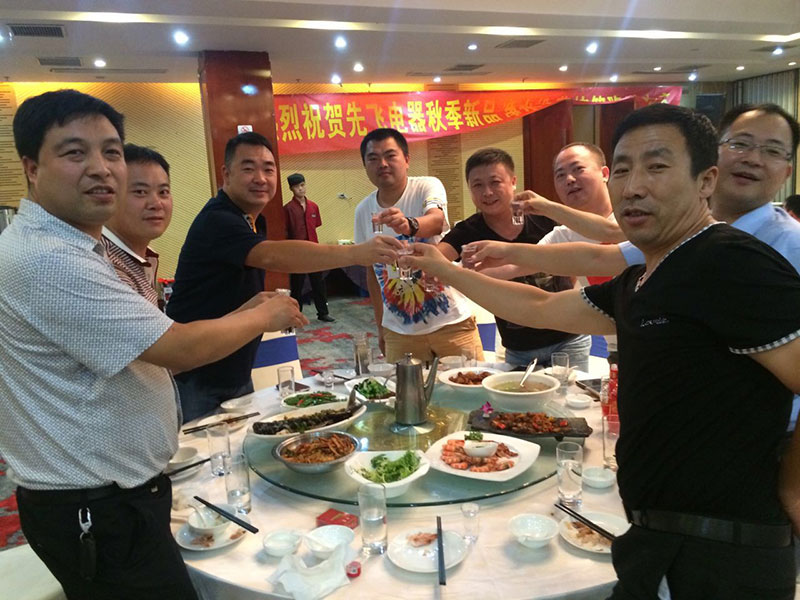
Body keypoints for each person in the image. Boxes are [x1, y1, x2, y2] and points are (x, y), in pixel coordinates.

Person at [403, 104, 800, 599]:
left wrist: (793, 485)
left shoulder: (730, 261)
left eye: (657, 166)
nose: (634, 187)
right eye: (625, 169)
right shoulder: (646, 276)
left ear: (706, 180)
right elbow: (541, 306)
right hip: (658, 535)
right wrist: (445, 269)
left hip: (722, 551)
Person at [0, 89, 306, 600]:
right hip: (94, 506)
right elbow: (175, 348)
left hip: (114, 492)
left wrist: (247, 312)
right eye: (75, 153)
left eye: (111, 152)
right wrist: (264, 315)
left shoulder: (75, 245)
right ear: (33, 168)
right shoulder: (50, 258)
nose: (101, 169)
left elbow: (145, 349)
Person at [168, 131, 401, 421]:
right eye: (249, 168)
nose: (260, 178)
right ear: (226, 174)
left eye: (268, 169)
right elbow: (271, 256)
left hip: (229, 364)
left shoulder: (252, 220)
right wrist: (356, 253)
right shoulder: (219, 219)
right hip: (196, 374)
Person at [437, 147, 589, 370]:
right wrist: (463, 271)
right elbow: (437, 260)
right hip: (519, 348)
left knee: (574, 391)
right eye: (478, 185)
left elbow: (572, 260)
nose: (487, 192)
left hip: (568, 337)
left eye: (495, 182)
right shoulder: (468, 231)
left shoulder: (543, 218)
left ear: (513, 182)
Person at [353, 127, 482, 363]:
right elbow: (372, 272)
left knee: (469, 384)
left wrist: (408, 224)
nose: (382, 164)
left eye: (390, 155)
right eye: (373, 158)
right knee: (403, 388)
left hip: (451, 323)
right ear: (365, 165)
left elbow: (436, 221)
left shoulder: (426, 186)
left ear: (407, 160)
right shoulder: (363, 211)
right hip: (399, 332)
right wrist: (381, 327)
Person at [102, 143, 172, 308]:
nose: (156, 204)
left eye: (163, 192)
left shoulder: (143, 256)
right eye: (140, 192)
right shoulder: (105, 265)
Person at [283, 172, 335, 322]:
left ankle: (323, 313)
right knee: (297, 285)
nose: (301, 189)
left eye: (302, 185)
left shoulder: (313, 206)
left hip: (314, 250)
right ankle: (296, 314)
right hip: (297, 252)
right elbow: (286, 230)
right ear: (291, 189)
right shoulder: (287, 209)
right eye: (296, 186)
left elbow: (316, 225)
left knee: (318, 283)